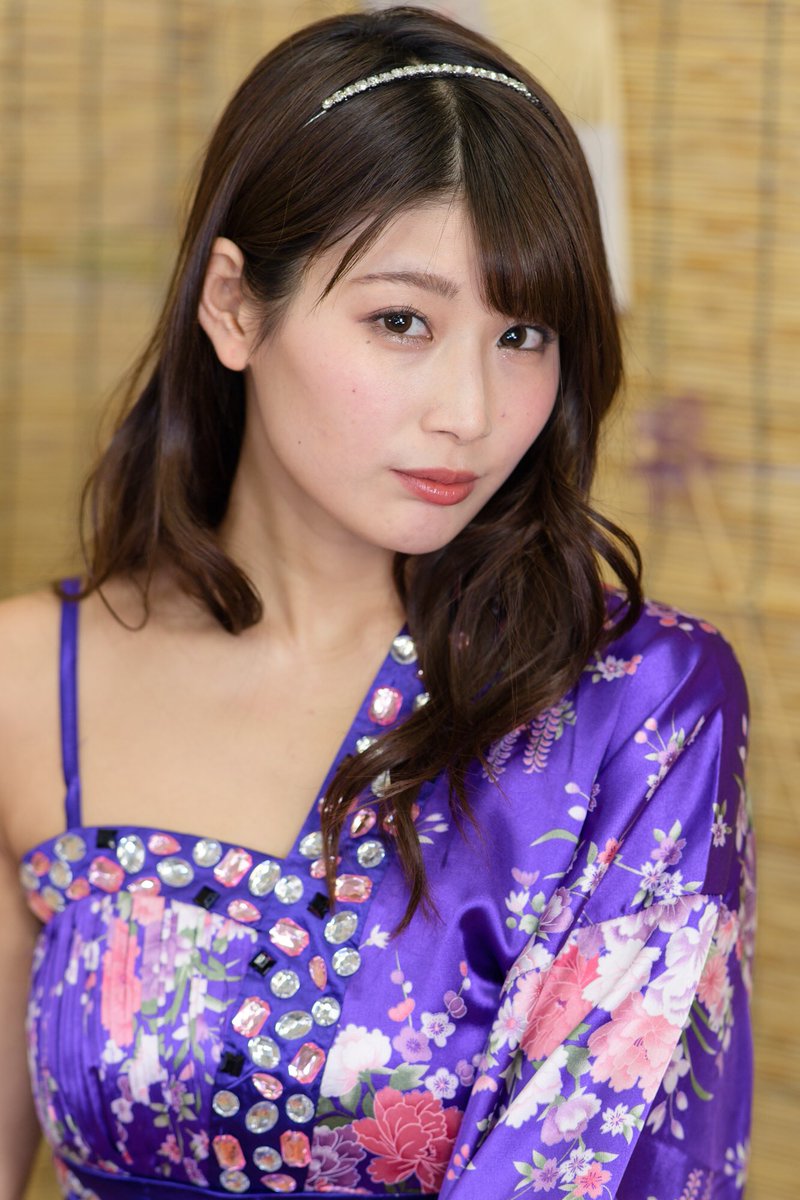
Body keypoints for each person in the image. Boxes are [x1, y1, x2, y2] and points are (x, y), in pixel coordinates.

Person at [0, 7, 755, 1199]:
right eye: (401, 321)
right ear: (234, 304)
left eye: (522, 333)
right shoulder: (26, 687)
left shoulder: (635, 709)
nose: (469, 410)